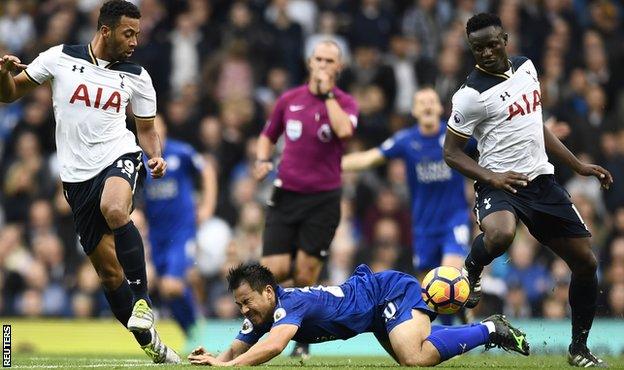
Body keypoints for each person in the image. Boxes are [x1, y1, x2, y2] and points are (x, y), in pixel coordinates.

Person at [0, 0, 179, 363]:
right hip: (76, 178)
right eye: (128, 33)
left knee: (114, 208)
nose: (134, 41)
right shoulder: (59, 57)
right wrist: (3, 72)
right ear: (105, 31)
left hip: (119, 156)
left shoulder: (137, 75)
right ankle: (148, 340)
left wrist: (155, 155)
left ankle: (144, 301)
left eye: (138, 35)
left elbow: (146, 129)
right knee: (109, 273)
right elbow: (7, 94)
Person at [443, 13, 613, 368]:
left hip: (542, 182)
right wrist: (491, 177)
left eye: (492, 44)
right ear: (471, 49)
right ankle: (472, 270)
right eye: (478, 48)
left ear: (504, 39)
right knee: (502, 234)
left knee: (586, 264)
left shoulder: (527, 68)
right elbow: (451, 152)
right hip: (500, 184)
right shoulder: (469, 95)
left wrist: (577, 165)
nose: (486, 53)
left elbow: (536, 125)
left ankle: (578, 348)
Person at [187, 263, 529, 366]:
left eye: (247, 302)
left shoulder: (289, 306)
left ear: (268, 292)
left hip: (386, 293)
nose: (244, 311)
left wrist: (228, 366)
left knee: (414, 356)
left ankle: (489, 329)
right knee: (415, 356)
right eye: (239, 306)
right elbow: (238, 348)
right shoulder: (261, 313)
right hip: (371, 314)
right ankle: (486, 330)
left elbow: (275, 346)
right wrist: (216, 358)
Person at [253, 40, 359, 357]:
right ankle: (271, 324)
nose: (323, 65)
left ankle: (302, 339)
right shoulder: (289, 100)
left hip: (323, 199)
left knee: (305, 273)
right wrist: (262, 160)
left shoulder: (345, 103)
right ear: (309, 62)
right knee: (271, 271)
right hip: (286, 195)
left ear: (338, 67)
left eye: (330, 60)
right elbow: (267, 135)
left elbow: (344, 133)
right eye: (319, 59)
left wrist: (327, 95)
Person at [342, 88, 474, 325]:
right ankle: (455, 318)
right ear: (414, 110)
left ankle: (460, 310)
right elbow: (369, 158)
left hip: (453, 219)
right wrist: (332, 165)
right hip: (423, 225)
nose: (426, 106)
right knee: (430, 291)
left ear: (440, 108)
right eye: (421, 102)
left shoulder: (454, 135)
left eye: (431, 101)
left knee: (448, 274)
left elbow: (485, 147)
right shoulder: (406, 140)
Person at [142, 114, 217, 336]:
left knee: (170, 285)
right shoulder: (139, 159)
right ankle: (190, 333)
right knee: (165, 290)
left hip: (182, 230)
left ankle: (197, 320)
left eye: (157, 127)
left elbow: (207, 170)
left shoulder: (181, 152)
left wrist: (207, 206)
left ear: (164, 130)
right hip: (157, 233)